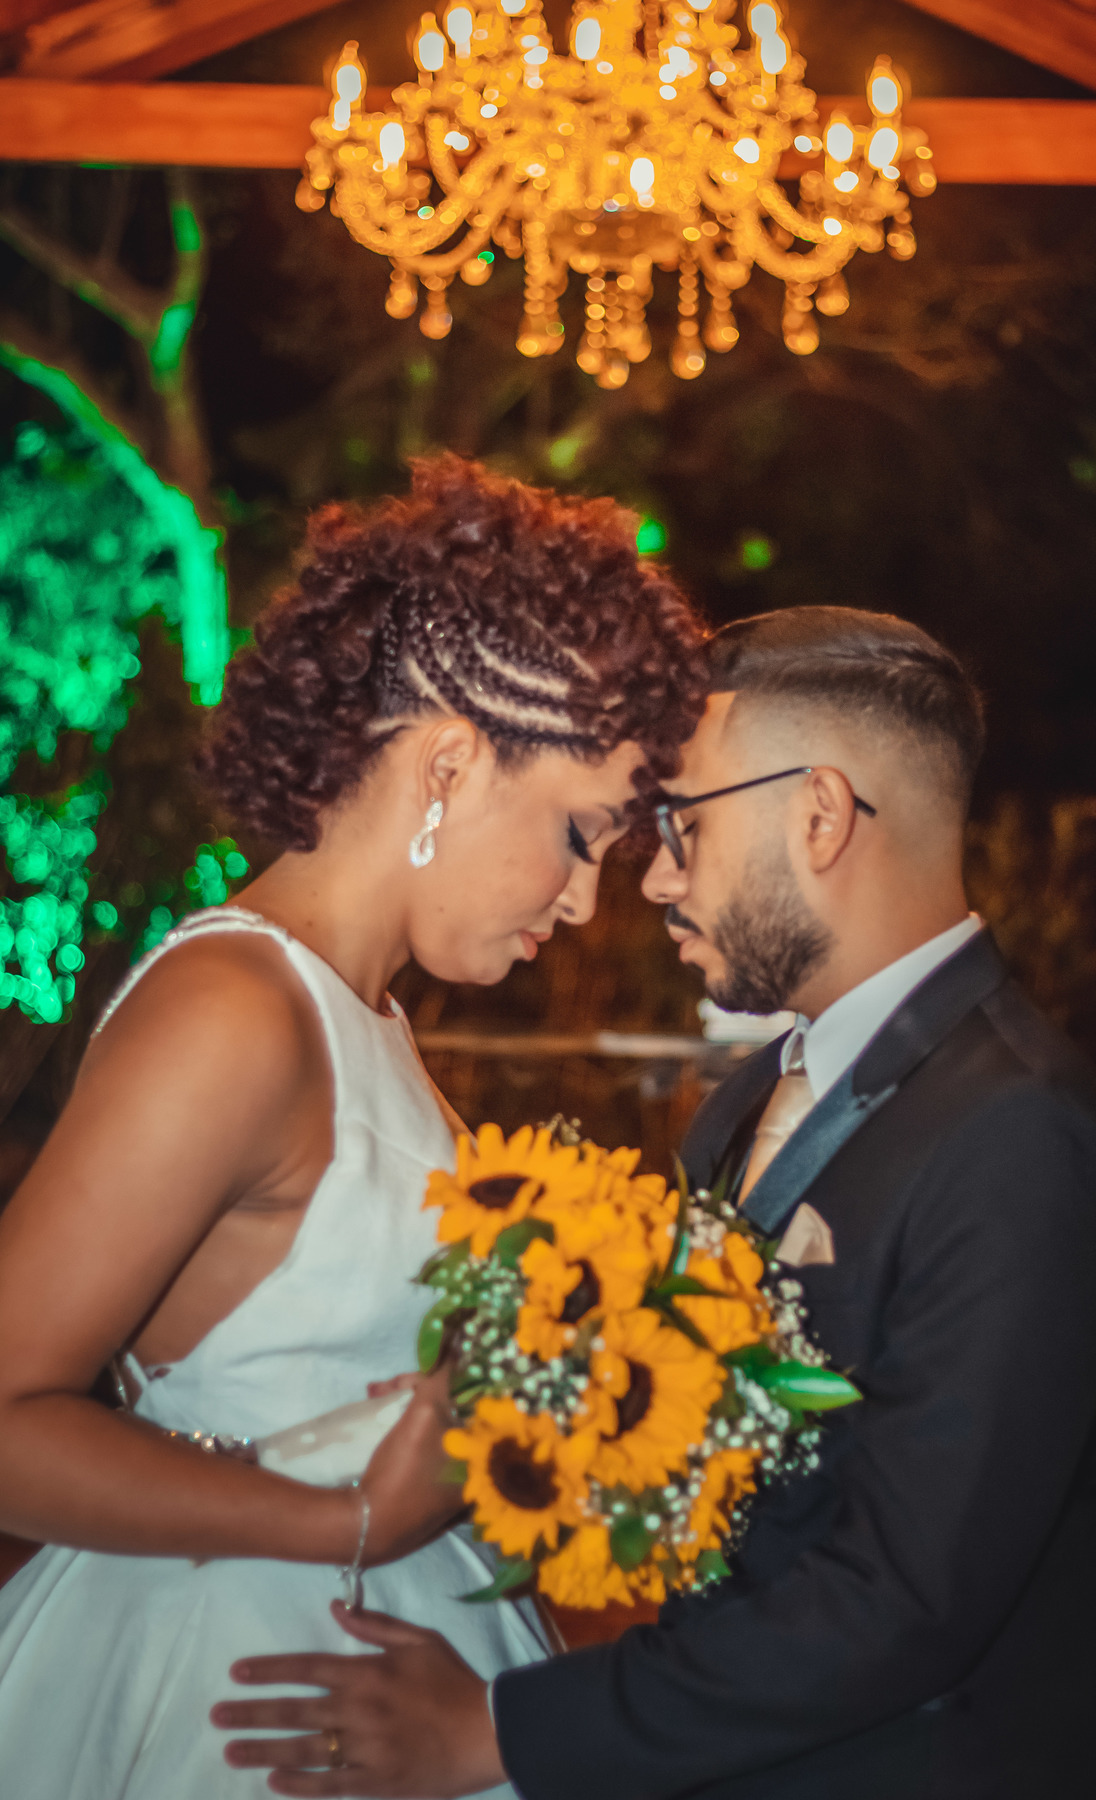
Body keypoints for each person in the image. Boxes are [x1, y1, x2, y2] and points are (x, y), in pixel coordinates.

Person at [215, 605, 1096, 1800]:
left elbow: (905, 1595)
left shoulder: (1024, 1135)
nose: (656, 879)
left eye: (683, 825)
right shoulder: (743, 1106)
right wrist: (497, 1409)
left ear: (820, 816)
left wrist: (498, 1733)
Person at [0, 455, 707, 1799]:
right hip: (235, 1690)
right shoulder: (234, 1012)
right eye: (581, 834)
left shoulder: (361, 1016)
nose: (582, 903)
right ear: (450, 762)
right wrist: (346, 1517)